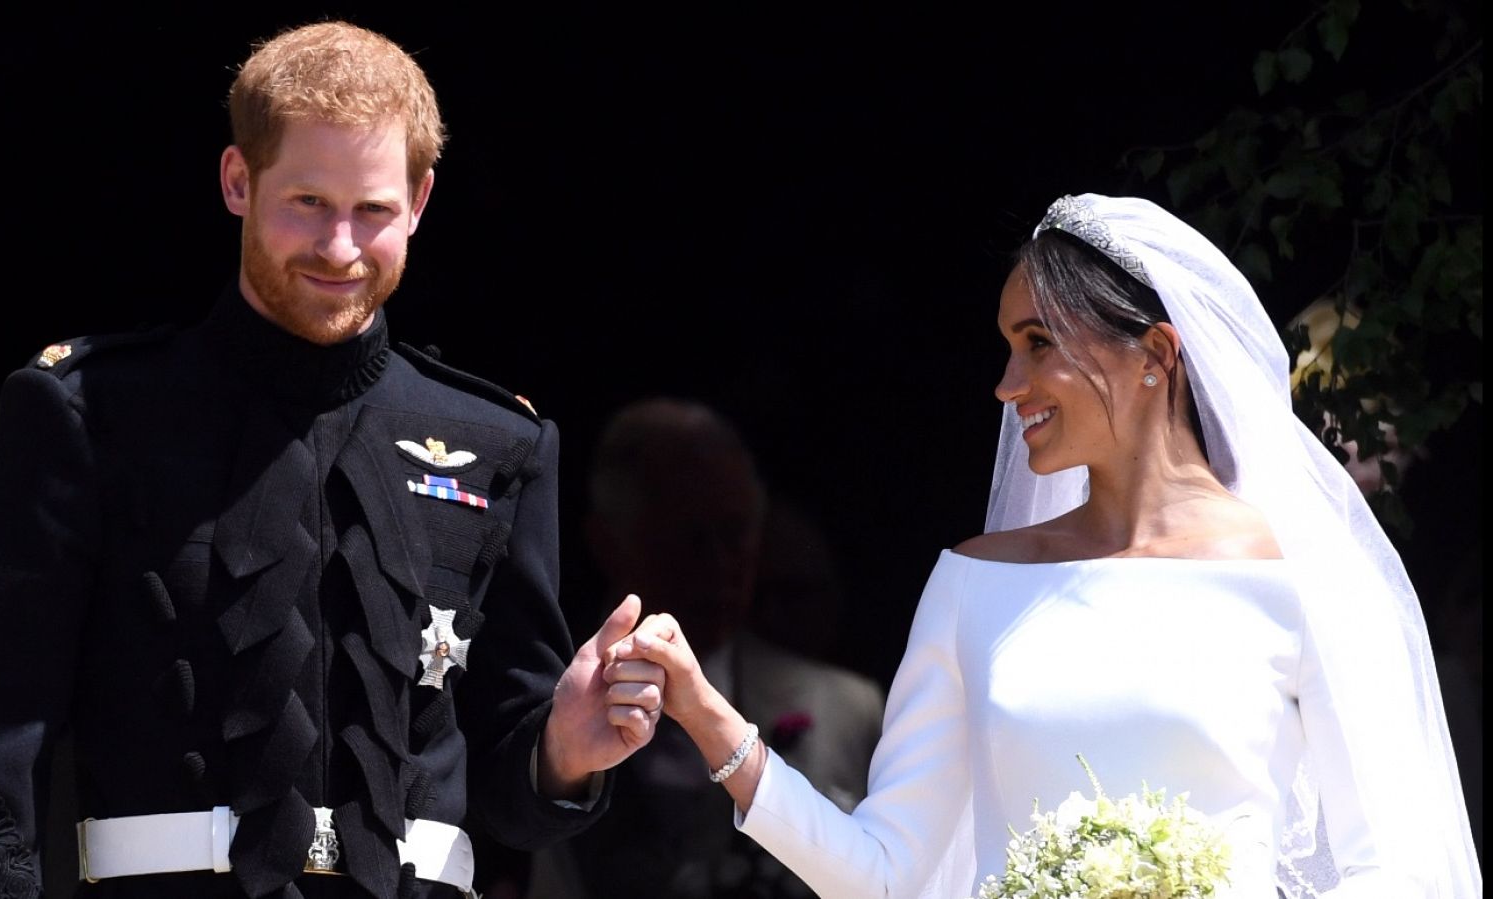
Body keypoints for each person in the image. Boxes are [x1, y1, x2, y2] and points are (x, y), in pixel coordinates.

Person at [0, 21, 664, 899]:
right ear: (239, 180)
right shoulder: (88, 413)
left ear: (419, 201)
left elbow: (507, 791)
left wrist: (565, 752)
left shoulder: (503, 444)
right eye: (308, 201)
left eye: (374, 210)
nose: (340, 246)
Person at [615, 193, 1482, 897]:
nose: (1006, 384)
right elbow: (883, 873)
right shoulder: (972, 585)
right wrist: (709, 718)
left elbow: (1396, 866)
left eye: (1039, 345)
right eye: (1005, 348)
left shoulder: (1303, 579)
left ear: (1155, 354)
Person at [529, 397, 885, 898]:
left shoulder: (846, 709)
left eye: (734, 534)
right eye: (688, 536)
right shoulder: (536, 699)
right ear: (608, 541)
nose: (718, 564)